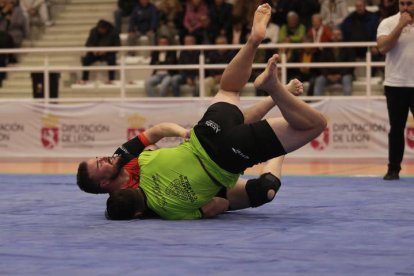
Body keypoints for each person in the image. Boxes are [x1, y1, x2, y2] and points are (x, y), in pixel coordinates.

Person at [77, 4, 327, 220]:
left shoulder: (130, 162)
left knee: (312, 126)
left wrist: (182, 132)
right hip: (207, 142)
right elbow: (155, 151)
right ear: (104, 183)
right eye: (100, 163)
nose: (105, 157)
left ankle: (272, 87)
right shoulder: (140, 174)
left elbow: (156, 135)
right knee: (230, 92)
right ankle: (255, 47)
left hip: (217, 159)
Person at [377, 0, 414, 180]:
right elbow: (383, 47)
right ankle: (393, 169)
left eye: (410, 3)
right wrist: (400, 25)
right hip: (396, 84)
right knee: (396, 128)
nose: (405, 7)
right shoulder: (388, 23)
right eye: (402, 4)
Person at [313, 27, 356, 96]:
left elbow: (351, 65)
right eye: (334, 35)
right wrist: (328, 75)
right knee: (319, 80)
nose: (336, 37)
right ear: (331, 36)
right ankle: (316, 104)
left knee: (346, 80)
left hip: (344, 74)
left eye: (338, 35)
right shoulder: (326, 48)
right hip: (328, 75)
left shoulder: (348, 47)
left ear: (342, 36)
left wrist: (340, 75)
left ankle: (347, 103)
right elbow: (321, 64)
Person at [79, 20, 121, 84]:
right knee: (86, 60)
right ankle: (84, 79)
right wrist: (93, 50)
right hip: (95, 53)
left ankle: (111, 79)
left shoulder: (114, 32)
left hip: (108, 53)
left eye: (102, 29)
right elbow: (88, 44)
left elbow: (117, 46)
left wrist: (106, 50)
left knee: (112, 59)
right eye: (100, 29)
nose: (101, 31)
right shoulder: (93, 31)